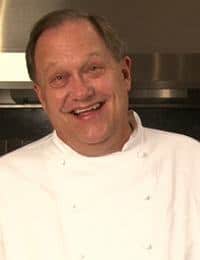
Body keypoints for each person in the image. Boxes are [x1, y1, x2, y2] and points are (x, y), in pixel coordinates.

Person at [0, 9, 199, 260]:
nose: (81, 91)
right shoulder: (6, 184)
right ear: (41, 96)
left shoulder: (191, 163)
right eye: (59, 78)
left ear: (125, 74)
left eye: (93, 68)